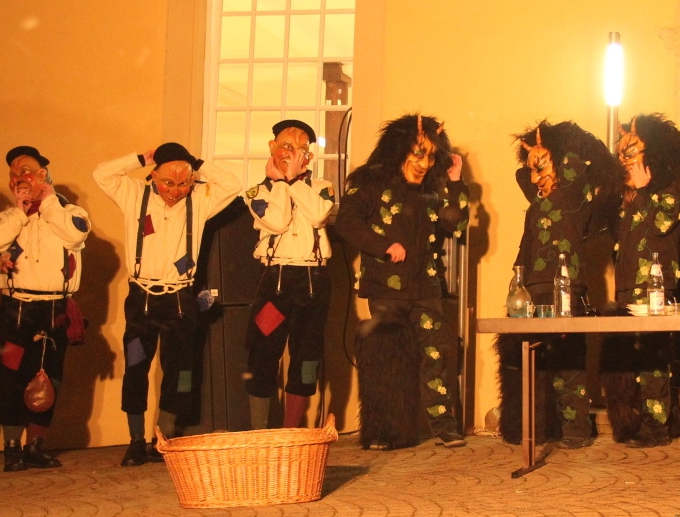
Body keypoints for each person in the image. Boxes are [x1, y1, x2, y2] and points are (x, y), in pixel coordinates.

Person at [95, 142, 242, 465]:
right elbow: (102, 174)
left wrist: (196, 163)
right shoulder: (133, 195)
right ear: (153, 176)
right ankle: (136, 441)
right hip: (142, 301)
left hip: (180, 300)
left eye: (183, 183)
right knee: (136, 367)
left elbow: (233, 184)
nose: (175, 190)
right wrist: (139, 158)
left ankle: (165, 438)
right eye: (168, 182)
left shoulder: (201, 200)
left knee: (180, 370)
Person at [336, 114, 469, 449]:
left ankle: (443, 426)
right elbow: (347, 222)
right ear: (399, 149)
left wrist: (455, 181)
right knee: (388, 360)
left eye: (431, 156)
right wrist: (383, 245)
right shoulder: (370, 182)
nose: (425, 163)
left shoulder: (431, 190)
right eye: (419, 154)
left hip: (425, 288)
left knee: (435, 355)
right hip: (386, 289)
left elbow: (454, 223)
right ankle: (387, 432)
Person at [498, 120, 624, 448]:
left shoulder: (573, 197)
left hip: (567, 288)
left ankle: (576, 431)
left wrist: (551, 148)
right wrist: (517, 283)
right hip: (533, 289)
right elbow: (524, 245)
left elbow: (576, 166)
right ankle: (540, 430)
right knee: (537, 363)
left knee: (568, 362)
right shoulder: (536, 205)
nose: (535, 177)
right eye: (533, 170)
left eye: (542, 166)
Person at [0, 147, 91, 471]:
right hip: (17, 308)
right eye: (14, 174)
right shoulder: (8, 217)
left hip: (54, 308)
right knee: (12, 376)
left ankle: (36, 445)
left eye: (26, 171)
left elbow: (75, 235)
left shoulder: (70, 213)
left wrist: (49, 200)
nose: (19, 178)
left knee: (48, 376)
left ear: (43, 175)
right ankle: (12, 448)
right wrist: (19, 212)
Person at [599, 113, 680, 447]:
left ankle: (656, 426)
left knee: (653, 357)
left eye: (632, 153)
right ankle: (657, 420)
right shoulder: (625, 198)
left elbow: (661, 225)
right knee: (632, 357)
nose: (625, 161)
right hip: (628, 287)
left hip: (655, 288)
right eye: (622, 154)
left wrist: (644, 191)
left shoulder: (668, 193)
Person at [242, 119, 336, 430]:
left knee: (307, 356)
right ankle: (259, 431)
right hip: (275, 282)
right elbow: (278, 221)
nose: (293, 154)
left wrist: (293, 181)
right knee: (263, 352)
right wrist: (282, 184)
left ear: (308, 156)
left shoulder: (321, 188)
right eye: (286, 146)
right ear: (272, 148)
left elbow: (318, 215)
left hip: (312, 282)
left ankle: (291, 430)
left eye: (301, 149)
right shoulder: (257, 191)